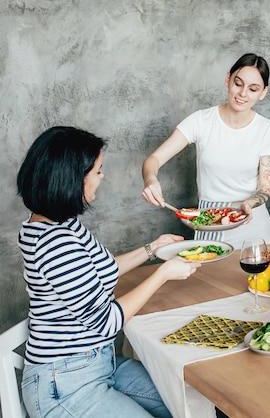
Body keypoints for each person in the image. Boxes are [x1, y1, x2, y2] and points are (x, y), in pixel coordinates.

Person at [16, 126, 201, 418]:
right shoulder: (54, 243)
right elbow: (106, 322)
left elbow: (99, 270)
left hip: (99, 364)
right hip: (65, 384)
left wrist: (153, 248)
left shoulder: (60, 223)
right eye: (99, 171)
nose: (103, 177)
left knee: (193, 404)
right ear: (74, 178)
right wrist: (162, 274)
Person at [141, 53, 270, 249]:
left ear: (263, 92)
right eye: (238, 83)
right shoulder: (201, 121)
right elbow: (154, 159)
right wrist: (151, 180)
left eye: (253, 89)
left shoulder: (267, 129)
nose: (242, 93)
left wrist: (249, 203)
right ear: (228, 79)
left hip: (251, 223)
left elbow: (265, 188)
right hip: (209, 223)